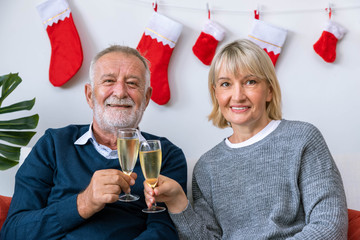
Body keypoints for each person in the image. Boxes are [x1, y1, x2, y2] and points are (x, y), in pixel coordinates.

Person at [144, 39, 348, 239]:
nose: (238, 95)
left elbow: (330, 227)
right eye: (226, 84)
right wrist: (178, 202)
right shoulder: (207, 166)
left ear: (269, 90)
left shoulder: (303, 139)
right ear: (216, 94)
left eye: (250, 82)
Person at [1, 45, 187, 239]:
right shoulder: (53, 144)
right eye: (109, 81)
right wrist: (83, 203)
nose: (121, 92)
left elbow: (163, 232)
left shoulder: (165, 155)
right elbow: (13, 232)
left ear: (147, 98)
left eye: (132, 83)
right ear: (90, 95)